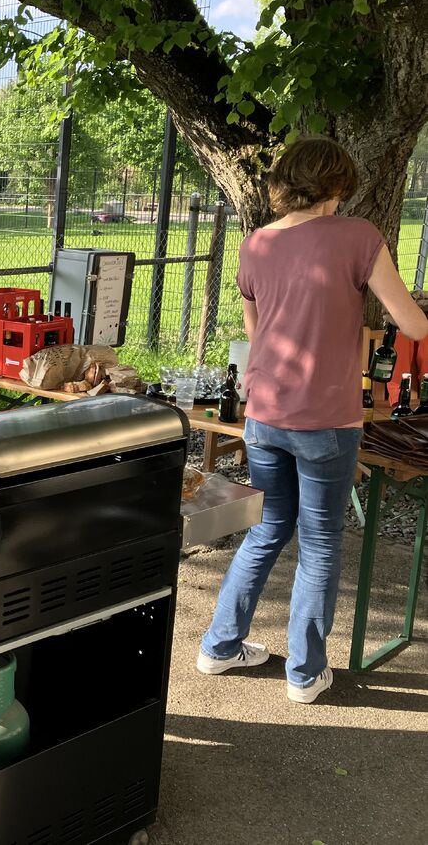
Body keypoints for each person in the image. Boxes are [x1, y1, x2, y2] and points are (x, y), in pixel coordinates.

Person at [196, 136, 428, 704]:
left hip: (265, 414)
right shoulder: (359, 237)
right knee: (321, 543)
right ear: (337, 185)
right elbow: (414, 326)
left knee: (266, 528)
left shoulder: (256, 243)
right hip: (326, 419)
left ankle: (219, 647)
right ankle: (304, 674)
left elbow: (256, 333)